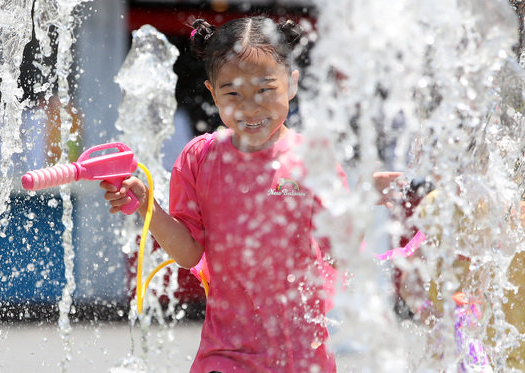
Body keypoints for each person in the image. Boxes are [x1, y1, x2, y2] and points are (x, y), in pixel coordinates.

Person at [101, 16, 400, 372]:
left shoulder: (313, 161)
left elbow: (339, 255)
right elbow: (188, 253)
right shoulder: (199, 159)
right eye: (232, 93)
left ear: (291, 83)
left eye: (265, 90)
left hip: (299, 355)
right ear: (212, 92)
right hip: (224, 353)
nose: (250, 106)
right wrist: (149, 207)